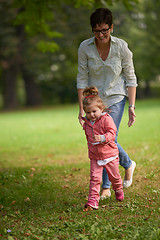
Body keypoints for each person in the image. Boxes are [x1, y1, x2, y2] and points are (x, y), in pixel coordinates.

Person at [77, 8, 137, 199]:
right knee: (101, 139)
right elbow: (81, 78)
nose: (101, 35)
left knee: (108, 138)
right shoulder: (85, 48)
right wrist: (81, 108)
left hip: (116, 98)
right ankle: (128, 164)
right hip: (94, 101)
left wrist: (132, 107)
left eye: (104, 30)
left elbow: (131, 78)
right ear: (92, 30)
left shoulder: (121, 47)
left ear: (111, 27)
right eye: (97, 31)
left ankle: (105, 187)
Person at [82, 86, 124, 210]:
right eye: (88, 112)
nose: (91, 115)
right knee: (95, 178)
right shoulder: (87, 123)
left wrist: (103, 138)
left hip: (109, 154)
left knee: (114, 177)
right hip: (95, 156)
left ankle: (118, 188)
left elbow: (112, 132)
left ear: (101, 109)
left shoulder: (106, 119)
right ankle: (93, 201)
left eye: (94, 111)